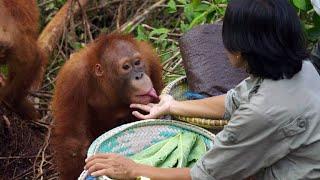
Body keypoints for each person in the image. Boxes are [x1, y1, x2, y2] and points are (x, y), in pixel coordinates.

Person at [84, 0, 320, 179]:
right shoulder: (301, 67)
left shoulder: (260, 114)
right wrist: (173, 105)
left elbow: (204, 174)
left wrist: (134, 169)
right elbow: (234, 99)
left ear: (240, 51)